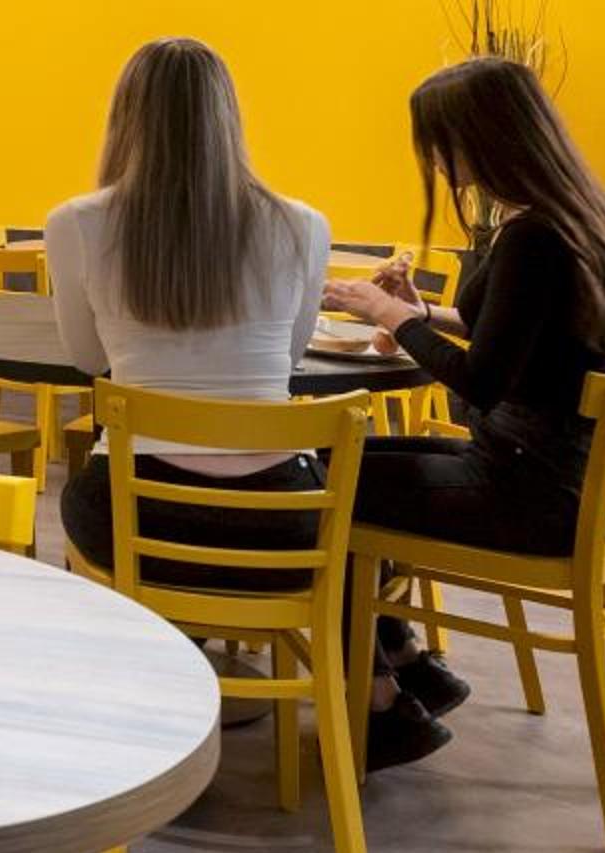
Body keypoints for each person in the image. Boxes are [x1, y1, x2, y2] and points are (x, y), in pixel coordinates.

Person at [44, 39, 396, 735]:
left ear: (124, 117)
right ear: (228, 118)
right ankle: (362, 693)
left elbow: (88, 359)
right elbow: (289, 357)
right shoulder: (303, 225)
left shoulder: (77, 222)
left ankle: (150, 694)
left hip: (138, 516)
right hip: (284, 527)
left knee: (82, 494)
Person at [322, 55, 605, 768]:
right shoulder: (576, 217)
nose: (436, 161)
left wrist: (387, 313)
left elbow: (480, 381)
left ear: (480, 136)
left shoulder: (533, 236)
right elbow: (514, 335)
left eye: (439, 142)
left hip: (525, 488)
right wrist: (420, 313)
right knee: (330, 464)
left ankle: (383, 707)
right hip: (550, 475)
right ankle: (407, 663)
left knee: (323, 485)